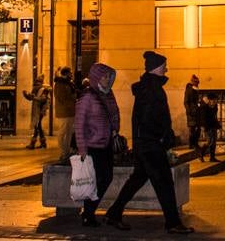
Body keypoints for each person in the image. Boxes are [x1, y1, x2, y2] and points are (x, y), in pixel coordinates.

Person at [103, 51, 193, 234]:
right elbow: (148, 118)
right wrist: (161, 136)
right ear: (157, 68)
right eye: (164, 65)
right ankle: (173, 223)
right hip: (151, 145)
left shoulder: (148, 87)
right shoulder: (152, 89)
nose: (166, 68)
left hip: (145, 144)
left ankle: (114, 213)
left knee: (137, 180)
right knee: (165, 183)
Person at [75, 62, 121, 227]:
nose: (108, 80)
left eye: (109, 76)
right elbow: (79, 124)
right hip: (92, 145)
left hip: (106, 143)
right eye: (104, 76)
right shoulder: (87, 96)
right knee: (95, 180)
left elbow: (115, 113)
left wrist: (115, 128)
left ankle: (88, 212)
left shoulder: (109, 94)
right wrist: (82, 149)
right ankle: (88, 214)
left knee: (106, 178)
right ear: (96, 77)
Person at [53, 67, 78, 160]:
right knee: (63, 132)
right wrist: (73, 98)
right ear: (66, 73)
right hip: (64, 112)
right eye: (70, 72)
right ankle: (64, 151)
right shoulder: (60, 84)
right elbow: (62, 98)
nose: (72, 74)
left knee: (69, 133)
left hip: (71, 111)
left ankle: (67, 152)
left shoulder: (69, 83)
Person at [23, 73, 50, 149]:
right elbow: (32, 98)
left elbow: (43, 99)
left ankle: (33, 143)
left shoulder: (43, 89)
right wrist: (27, 95)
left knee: (37, 125)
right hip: (37, 109)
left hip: (40, 109)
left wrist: (31, 97)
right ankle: (43, 142)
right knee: (38, 125)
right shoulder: (37, 88)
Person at [198, 95, 220, 163]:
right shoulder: (204, 107)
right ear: (209, 100)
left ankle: (212, 157)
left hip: (213, 126)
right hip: (207, 126)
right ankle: (201, 153)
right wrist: (203, 127)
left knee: (214, 142)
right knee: (210, 141)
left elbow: (214, 117)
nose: (214, 102)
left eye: (215, 100)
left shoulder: (215, 107)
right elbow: (202, 118)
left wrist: (218, 125)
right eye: (213, 100)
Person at [184, 74, 201, 156]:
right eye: (196, 82)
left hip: (196, 112)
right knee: (192, 129)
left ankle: (195, 143)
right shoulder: (189, 90)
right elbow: (186, 102)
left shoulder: (196, 90)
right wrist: (189, 111)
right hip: (191, 113)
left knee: (198, 129)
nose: (198, 84)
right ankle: (192, 144)